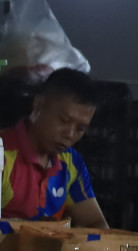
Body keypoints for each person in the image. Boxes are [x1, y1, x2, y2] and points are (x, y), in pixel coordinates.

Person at [3, 69, 109, 227]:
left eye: (80, 129)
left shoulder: (71, 163)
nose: (70, 134)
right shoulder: (3, 154)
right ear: (38, 105)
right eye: (63, 120)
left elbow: (96, 224)